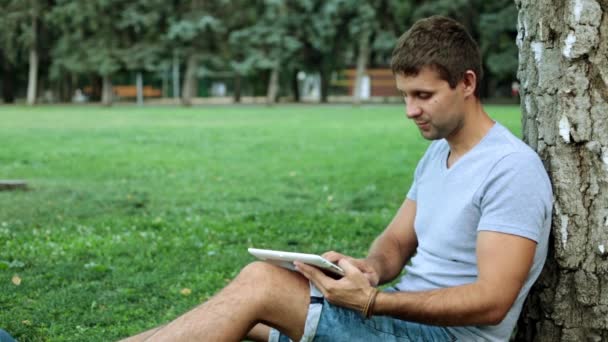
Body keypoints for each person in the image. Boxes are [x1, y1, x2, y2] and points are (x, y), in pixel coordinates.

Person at [122, 16, 552, 342]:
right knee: (237, 311)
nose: (410, 111)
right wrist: (368, 270)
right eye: (405, 96)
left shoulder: (511, 169)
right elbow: (397, 243)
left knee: (261, 286)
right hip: (396, 317)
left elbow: (494, 301)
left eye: (423, 96)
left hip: (442, 335)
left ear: (467, 83)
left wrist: (373, 302)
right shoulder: (439, 151)